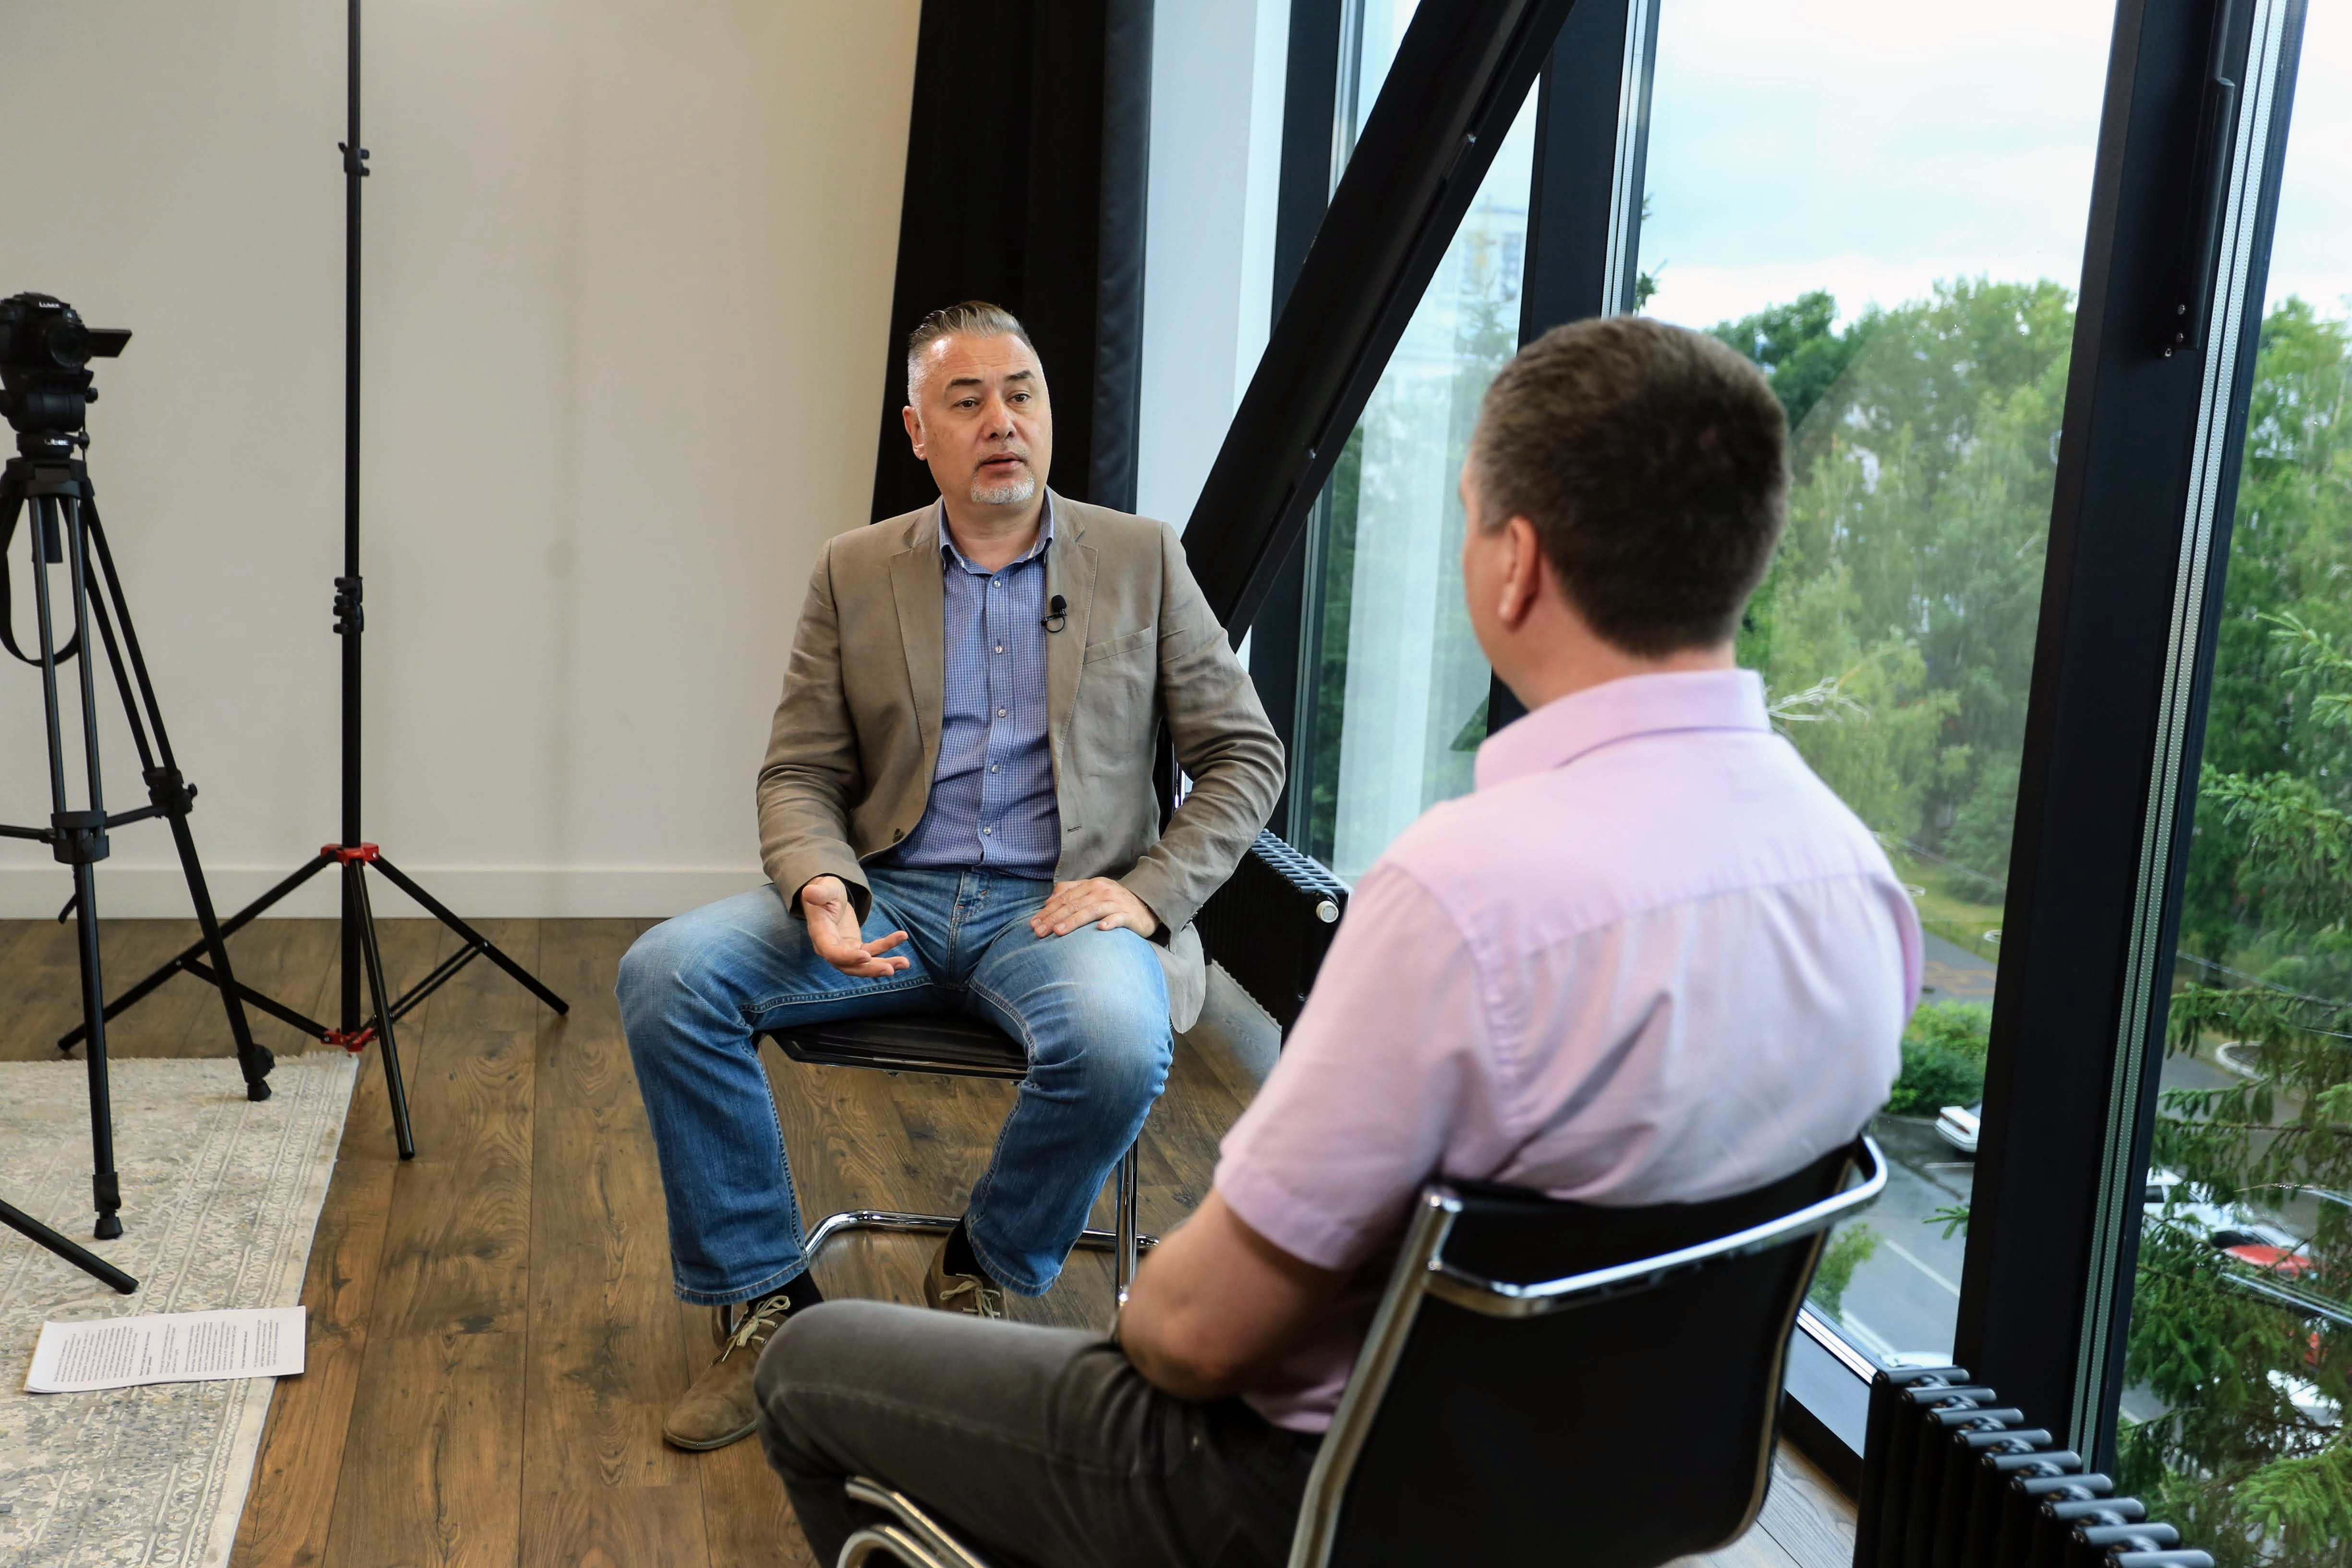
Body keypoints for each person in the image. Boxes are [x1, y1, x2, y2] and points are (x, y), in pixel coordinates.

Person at [751, 314, 1923, 1567]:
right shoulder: (1860, 886)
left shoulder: (1464, 900)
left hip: (1319, 1495)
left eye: (1466, 514)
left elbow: (1189, 1335)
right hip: (1629, 1497)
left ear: (1516, 565)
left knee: (813, 1365)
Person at [617, 301, 1284, 1454]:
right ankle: (770, 1300)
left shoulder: (1140, 557)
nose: (1001, 421)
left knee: (1117, 1045)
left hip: (1063, 907)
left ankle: (985, 1259)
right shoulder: (854, 568)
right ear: (918, 432)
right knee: (666, 975)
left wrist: (1148, 892)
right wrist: (820, 883)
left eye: (1021, 394)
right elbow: (800, 769)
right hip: (894, 892)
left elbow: (1245, 754)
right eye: (966, 401)